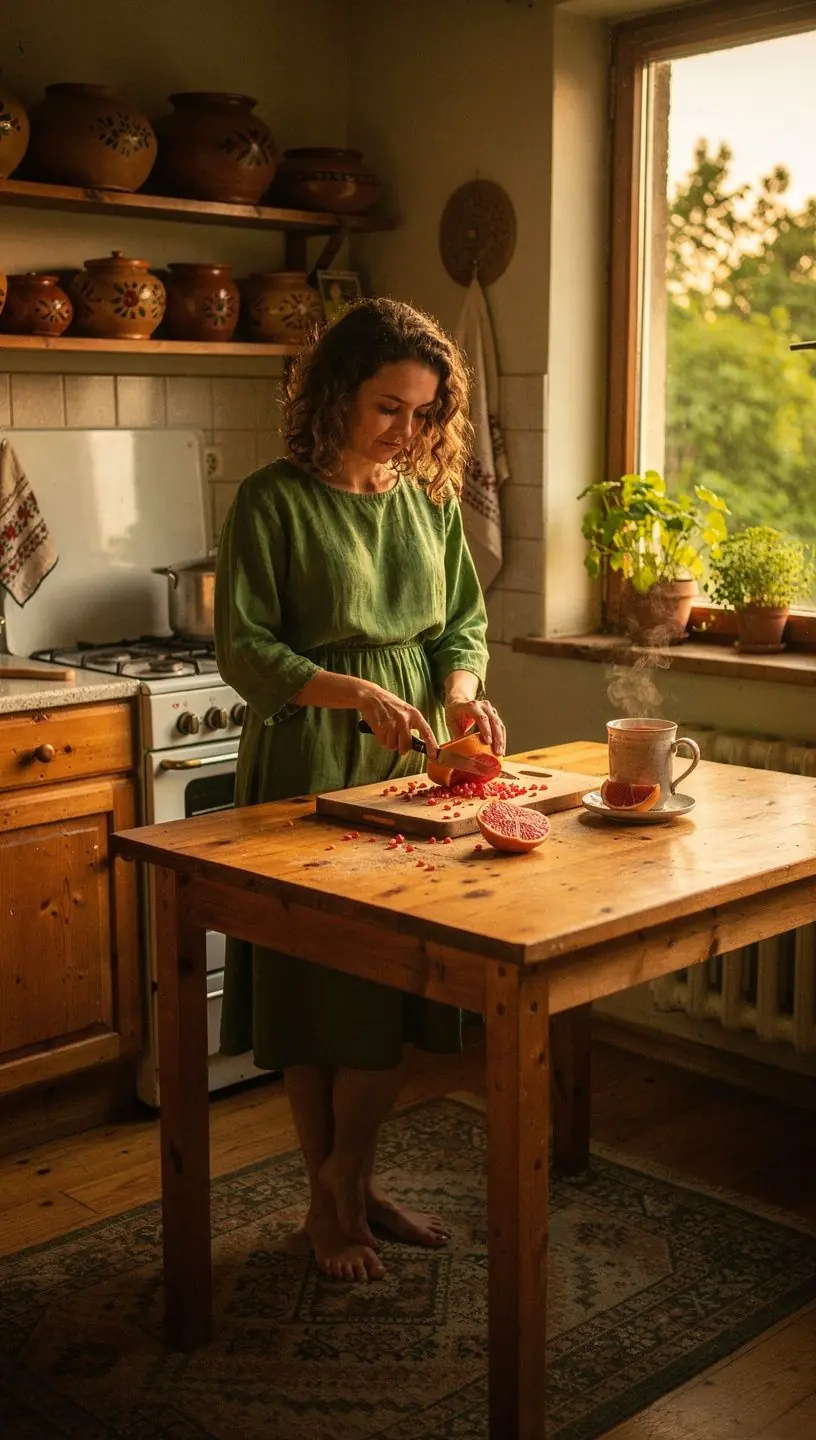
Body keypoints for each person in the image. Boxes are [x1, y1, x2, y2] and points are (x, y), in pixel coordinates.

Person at [214, 297, 506, 1284]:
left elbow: (460, 626)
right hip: (307, 758)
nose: (409, 433)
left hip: (414, 760)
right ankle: (332, 1199)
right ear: (337, 393)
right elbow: (244, 646)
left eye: (425, 414)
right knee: (317, 991)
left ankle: (346, 1179)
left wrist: (461, 705)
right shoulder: (270, 500)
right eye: (390, 409)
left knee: (392, 991)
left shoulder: (425, 501)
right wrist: (350, 690)